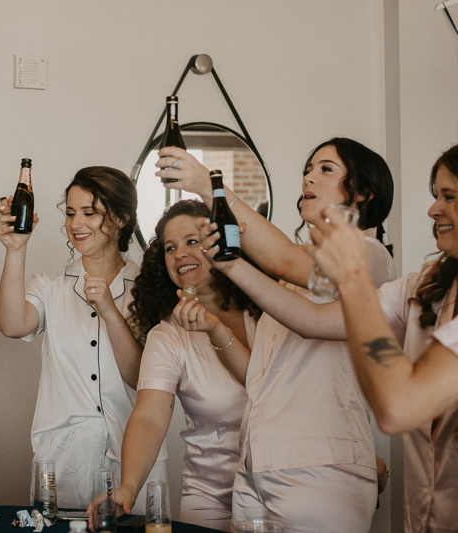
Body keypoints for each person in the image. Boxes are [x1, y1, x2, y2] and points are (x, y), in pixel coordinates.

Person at [157, 138, 396, 531]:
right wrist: (216, 329)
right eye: (308, 168)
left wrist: (209, 185)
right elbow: (260, 378)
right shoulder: (288, 282)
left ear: (363, 192)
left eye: (326, 169)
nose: (309, 175)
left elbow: (283, 258)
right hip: (256, 468)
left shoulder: (368, 254)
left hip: (321, 469)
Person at [259, 145, 458, 533]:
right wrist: (229, 263)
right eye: (435, 196)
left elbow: (397, 405)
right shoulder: (420, 288)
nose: (433, 210)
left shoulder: (372, 256)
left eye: (448, 197)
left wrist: (351, 280)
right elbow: (311, 319)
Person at [0, 166, 167, 512]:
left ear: (121, 218)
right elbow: (13, 325)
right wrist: (15, 249)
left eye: (90, 213)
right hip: (63, 460)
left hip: (134, 459)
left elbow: (141, 378)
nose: (76, 224)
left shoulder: (150, 288)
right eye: (71, 213)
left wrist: (109, 311)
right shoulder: (50, 285)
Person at [109, 200, 260, 531]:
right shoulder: (168, 336)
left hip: (284, 485)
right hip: (209, 498)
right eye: (169, 247)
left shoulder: (268, 310)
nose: (179, 254)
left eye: (192, 241)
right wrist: (128, 487)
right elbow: (148, 417)